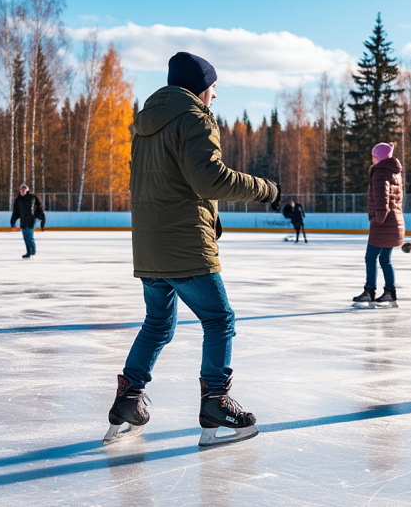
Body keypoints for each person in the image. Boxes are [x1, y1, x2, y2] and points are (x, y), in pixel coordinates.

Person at [105, 51, 281, 448]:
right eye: (213, 87)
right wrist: (266, 189)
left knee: (157, 324)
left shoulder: (146, 125)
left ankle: (129, 399)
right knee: (219, 319)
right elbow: (211, 181)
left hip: (150, 245)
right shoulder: (194, 119)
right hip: (185, 243)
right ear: (199, 86)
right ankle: (216, 400)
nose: (214, 96)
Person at [352, 143, 404, 308]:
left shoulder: (380, 173)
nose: (372, 159)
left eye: (373, 156)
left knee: (370, 257)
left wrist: (377, 220)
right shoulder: (393, 172)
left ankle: (370, 291)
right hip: (394, 222)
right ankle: (390, 291)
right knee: (384, 259)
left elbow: (382, 199)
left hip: (384, 223)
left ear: (379, 157)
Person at [10, 183, 45, 259]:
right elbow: (15, 212)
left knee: (29, 235)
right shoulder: (18, 199)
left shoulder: (33, 197)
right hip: (23, 220)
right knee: (25, 236)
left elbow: (40, 208)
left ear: (27, 190)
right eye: (21, 189)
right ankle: (28, 251)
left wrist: (42, 218)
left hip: (32, 219)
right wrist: (12, 221)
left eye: (24, 189)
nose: (23, 190)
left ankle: (33, 250)